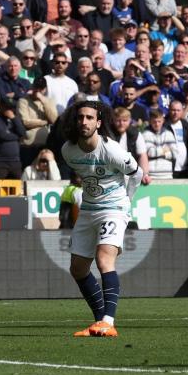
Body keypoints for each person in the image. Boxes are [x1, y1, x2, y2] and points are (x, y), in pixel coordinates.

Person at [60, 100, 144, 338]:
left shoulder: (111, 149)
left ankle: (108, 321)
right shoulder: (68, 150)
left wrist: (126, 202)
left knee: (104, 259)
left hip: (114, 208)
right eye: (80, 117)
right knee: (77, 269)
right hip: (88, 209)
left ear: (98, 123)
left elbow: (137, 173)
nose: (83, 122)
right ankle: (99, 321)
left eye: (89, 118)